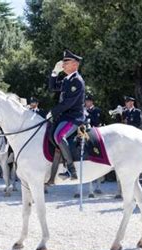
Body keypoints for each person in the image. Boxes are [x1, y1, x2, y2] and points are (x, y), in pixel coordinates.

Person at [48, 49, 85, 180]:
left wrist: (53, 111)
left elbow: (68, 103)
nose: (62, 65)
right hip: (65, 117)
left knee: (59, 135)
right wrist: (54, 73)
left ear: (75, 65)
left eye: (66, 62)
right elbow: (52, 88)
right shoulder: (66, 80)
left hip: (75, 117)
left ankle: (71, 170)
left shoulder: (77, 81)